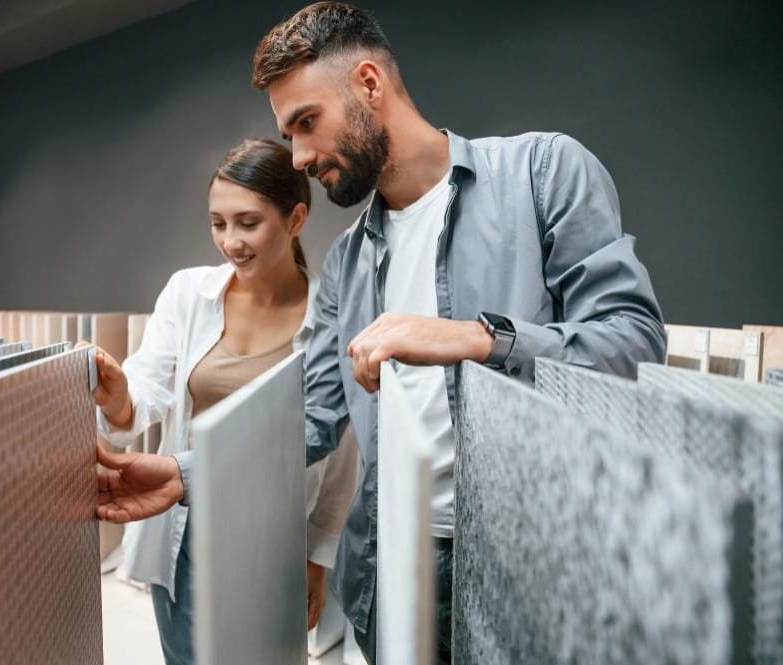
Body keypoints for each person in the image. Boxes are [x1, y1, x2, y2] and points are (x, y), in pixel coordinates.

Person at [98, 3, 666, 664]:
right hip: (393, 571)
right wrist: (177, 471)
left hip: (531, 567)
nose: (301, 156)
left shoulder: (543, 175)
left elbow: (630, 344)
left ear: (368, 84)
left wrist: (478, 338)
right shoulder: (346, 264)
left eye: (307, 124)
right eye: (289, 135)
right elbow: (307, 420)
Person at [90, 138, 358, 665]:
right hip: (183, 526)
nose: (231, 241)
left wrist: (317, 556)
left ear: (295, 218)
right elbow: (144, 394)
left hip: (273, 539)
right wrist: (119, 396)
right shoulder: (188, 294)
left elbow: (338, 455)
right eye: (218, 223)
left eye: (248, 222)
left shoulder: (329, 318)